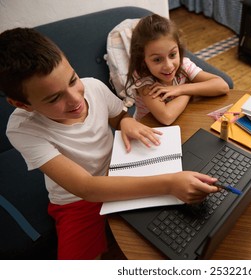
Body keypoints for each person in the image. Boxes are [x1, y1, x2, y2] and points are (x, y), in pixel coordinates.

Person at [0, 27, 220, 260]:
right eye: (54, 98)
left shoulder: (93, 87)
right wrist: (168, 184)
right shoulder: (23, 129)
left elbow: (118, 117)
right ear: (22, 105)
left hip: (123, 167)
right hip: (78, 200)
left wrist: (125, 122)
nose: (76, 99)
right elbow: (86, 188)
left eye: (73, 79)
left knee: (173, 234)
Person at [125, 14, 229, 125]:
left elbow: (222, 86)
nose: (169, 66)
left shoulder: (184, 65)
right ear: (143, 60)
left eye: (172, 54)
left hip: (183, 121)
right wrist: (188, 92)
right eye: (157, 60)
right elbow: (167, 117)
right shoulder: (143, 80)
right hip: (150, 131)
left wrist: (181, 89)